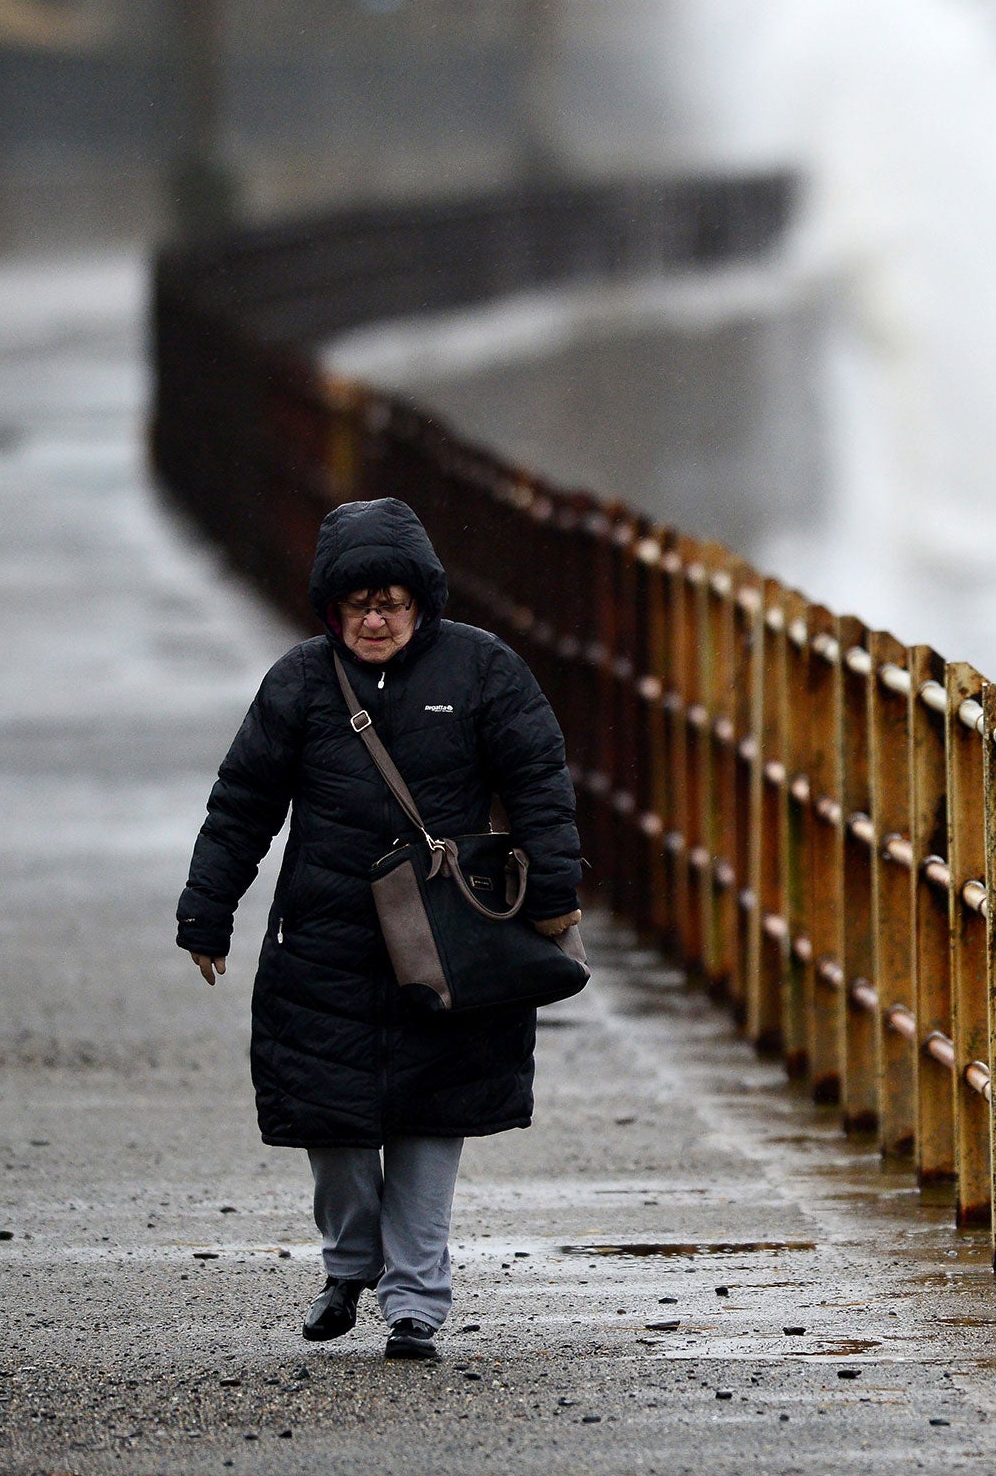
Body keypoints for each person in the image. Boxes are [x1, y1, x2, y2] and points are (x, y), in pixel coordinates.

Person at [175, 498, 582, 1360]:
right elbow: (243, 804)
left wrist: (553, 897)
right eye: (357, 603)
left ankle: (415, 1308)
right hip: (324, 948)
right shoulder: (299, 683)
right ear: (331, 609)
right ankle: (350, 1264)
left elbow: (541, 783)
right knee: (337, 1134)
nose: (375, 618)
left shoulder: (484, 671)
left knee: (433, 1127)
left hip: (452, 945)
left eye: (391, 601)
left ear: (422, 602)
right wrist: (208, 912)